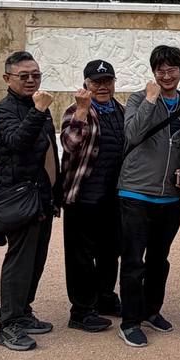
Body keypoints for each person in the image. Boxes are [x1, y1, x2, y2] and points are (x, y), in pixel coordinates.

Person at [115, 45, 180, 348]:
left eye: (172, 69)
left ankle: (151, 310)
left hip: (170, 197)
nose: (166, 75)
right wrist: (150, 100)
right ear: (153, 72)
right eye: (160, 70)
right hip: (135, 192)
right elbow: (133, 134)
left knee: (160, 260)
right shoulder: (138, 99)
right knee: (134, 261)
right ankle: (130, 321)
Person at [0, 50, 60, 352]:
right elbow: (17, 143)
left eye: (36, 75)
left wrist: (55, 193)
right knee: (19, 262)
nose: (31, 80)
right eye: (24, 76)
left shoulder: (37, 107)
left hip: (41, 196)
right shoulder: (4, 109)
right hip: (19, 196)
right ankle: (8, 325)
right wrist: (38, 110)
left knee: (36, 261)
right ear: (8, 78)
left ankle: (24, 311)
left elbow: (49, 152)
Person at [59, 59, 124, 335]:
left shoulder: (121, 111)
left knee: (111, 253)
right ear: (86, 84)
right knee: (81, 257)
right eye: (97, 82)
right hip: (83, 197)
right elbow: (70, 143)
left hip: (113, 198)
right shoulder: (76, 111)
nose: (102, 86)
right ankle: (81, 310)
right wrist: (83, 111)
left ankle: (104, 297)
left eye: (107, 81)